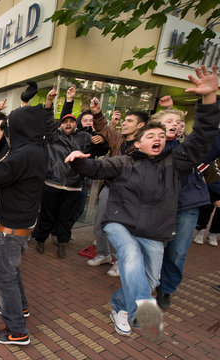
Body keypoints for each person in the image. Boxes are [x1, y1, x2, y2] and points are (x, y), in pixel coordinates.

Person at [66, 65, 219, 340]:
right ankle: (148, 316)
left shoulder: (176, 164)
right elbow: (96, 169)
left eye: (162, 136)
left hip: (154, 231)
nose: (158, 139)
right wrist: (79, 160)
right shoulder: (124, 162)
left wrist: (208, 100)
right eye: (150, 136)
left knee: (150, 280)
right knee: (131, 257)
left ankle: (119, 306)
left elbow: (202, 138)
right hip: (120, 225)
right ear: (138, 143)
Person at [0, 89, 55, 345]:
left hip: (12, 229)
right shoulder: (35, 148)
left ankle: (17, 331)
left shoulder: (24, 154)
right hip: (21, 223)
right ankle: (20, 308)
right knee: (10, 270)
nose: (8, 130)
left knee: (3, 276)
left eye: (12, 125)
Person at [34, 86, 109, 258]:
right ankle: (40, 240)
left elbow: (102, 149)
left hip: (73, 187)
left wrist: (103, 138)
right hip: (52, 184)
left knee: (65, 219)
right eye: (65, 122)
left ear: (77, 124)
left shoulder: (84, 138)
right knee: (46, 215)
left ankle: (62, 243)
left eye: (71, 121)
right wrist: (54, 101)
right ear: (61, 125)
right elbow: (47, 120)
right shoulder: (54, 136)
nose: (68, 124)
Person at [152, 101, 210, 310]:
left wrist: (208, 101)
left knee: (177, 252)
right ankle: (147, 283)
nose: (175, 125)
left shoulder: (185, 147)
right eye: (169, 121)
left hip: (186, 206)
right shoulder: (149, 147)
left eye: (178, 122)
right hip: (158, 207)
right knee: (153, 249)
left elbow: (203, 137)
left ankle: (166, 289)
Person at [90, 102, 149, 276]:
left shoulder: (145, 145)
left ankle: (120, 261)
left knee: (122, 229)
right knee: (100, 222)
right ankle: (103, 254)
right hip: (110, 187)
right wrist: (98, 112)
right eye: (124, 120)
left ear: (140, 126)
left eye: (129, 121)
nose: (124, 123)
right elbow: (103, 128)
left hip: (130, 193)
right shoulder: (118, 139)